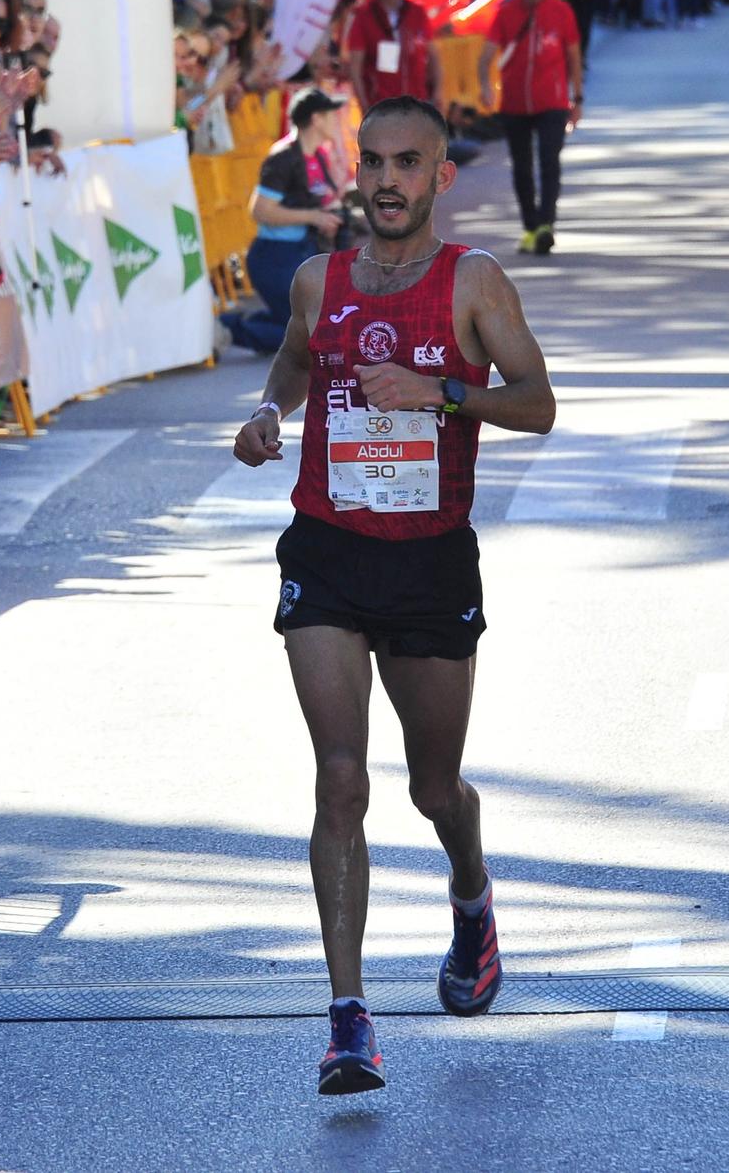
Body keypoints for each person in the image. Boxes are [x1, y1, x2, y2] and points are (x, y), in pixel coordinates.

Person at [230, 95, 553, 1096]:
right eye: (370, 160)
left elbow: (536, 405)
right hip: (326, 547)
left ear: (438, 176)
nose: (382, 180)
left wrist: (441, 392)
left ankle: (469, 893)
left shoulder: (473, 283)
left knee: (429, 786)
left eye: (405, 163)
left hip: (426, 562)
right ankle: (347, 1018)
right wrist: (263, 410)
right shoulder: (320, 278)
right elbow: (292, 358)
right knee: (339, 776)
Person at [225, 87, 351, 353]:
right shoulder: (282, 157)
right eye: (331, 115)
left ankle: (243, 326)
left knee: (314, 325)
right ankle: (228, 330)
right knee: (307, 335)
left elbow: (317, 199)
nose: (336, 121)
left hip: (302, 252)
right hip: (274, 258)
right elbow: (259, 210)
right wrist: (314, 217)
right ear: (316, 119)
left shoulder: (318, 154)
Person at [479, 0, 583, 254]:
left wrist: (577, 98)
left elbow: (574, 56)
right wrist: (486, 86)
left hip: (552, 101)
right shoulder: (506, 13)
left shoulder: (561, 12)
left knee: (549, 162)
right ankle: (529, 227)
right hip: (514, 104)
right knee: (522, 168)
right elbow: (485, 56)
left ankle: (546, 225)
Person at [342, 0, 440, 112]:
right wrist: (364, 106)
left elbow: (434, 55)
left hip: (415, 101)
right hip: (381, 105)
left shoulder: (417, 13)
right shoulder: (363, 16)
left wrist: (437, 92)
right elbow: (355, 68)